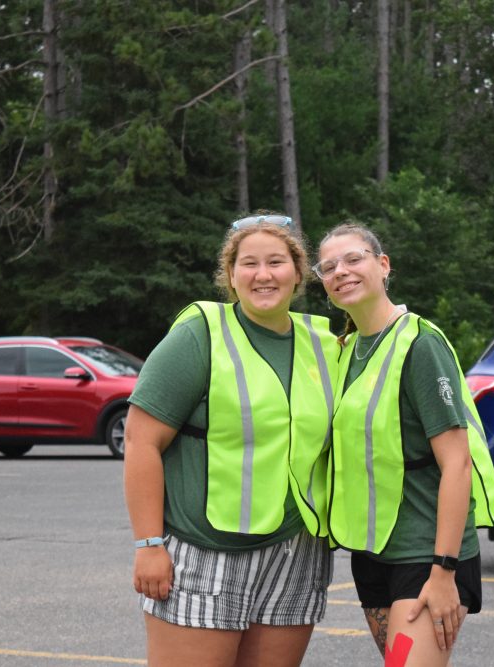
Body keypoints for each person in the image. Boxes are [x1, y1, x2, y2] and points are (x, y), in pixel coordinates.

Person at [124, 213, 337, 667]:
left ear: (298, 273)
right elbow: (141, 441)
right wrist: (148, 545)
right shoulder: (199, 335)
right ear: (230, 275)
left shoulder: (325, 343)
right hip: (205, 551)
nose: (263, 275)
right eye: (249, 264)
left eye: (276, 262)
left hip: (295, 553)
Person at [315, 222, 494, 666]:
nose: (341, 270)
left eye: (354, 258)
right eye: (328, 266)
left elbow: (457, 464)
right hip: (373, 553)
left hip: (429, 556)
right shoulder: (347, 351)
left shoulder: (419, 345)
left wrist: (444, 571)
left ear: (383, 265)